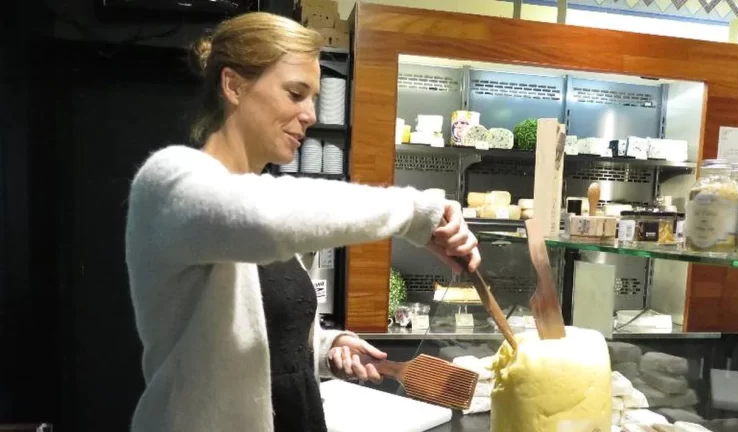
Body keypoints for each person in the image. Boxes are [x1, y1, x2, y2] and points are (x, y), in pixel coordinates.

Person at [124, 11, 481, 432]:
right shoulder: (169, 183)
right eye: (296, 94)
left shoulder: (263, 199)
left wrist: (326, 348)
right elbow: (263, 219)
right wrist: (417, 213)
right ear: (233, 85)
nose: (310, 114)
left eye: (313, 98)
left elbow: (264, 341)